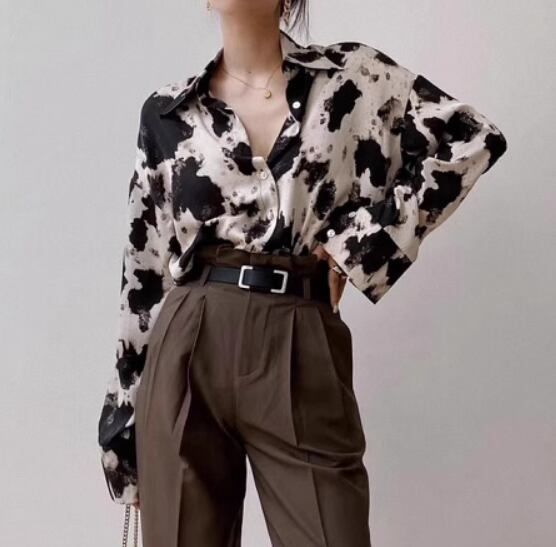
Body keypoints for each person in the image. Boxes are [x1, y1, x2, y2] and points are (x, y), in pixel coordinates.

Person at [97, 1, 508, 545]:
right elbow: (145, 271)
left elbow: (471, 139)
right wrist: (122, 432)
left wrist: (358, 247)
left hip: (300, 335)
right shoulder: (168, 113)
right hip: (188, 341)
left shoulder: (351, 79)